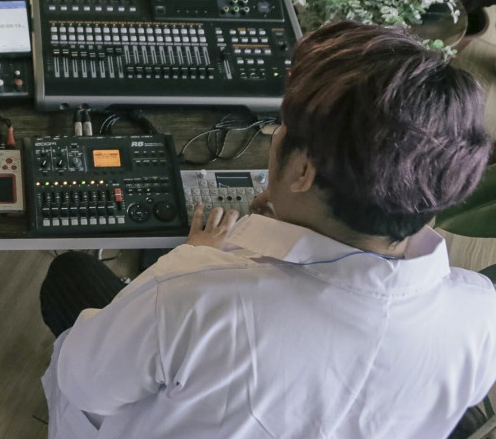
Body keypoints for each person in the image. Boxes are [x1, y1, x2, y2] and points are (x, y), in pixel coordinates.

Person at [39, 21, 496, 439]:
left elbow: (83, 386)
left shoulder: (189, 291)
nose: (277, 133)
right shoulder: (481, 313)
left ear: (302, 170)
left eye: (282, 124)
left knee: (71, 277)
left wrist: (192, 257)